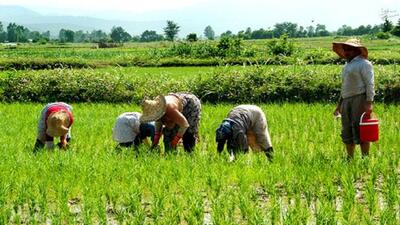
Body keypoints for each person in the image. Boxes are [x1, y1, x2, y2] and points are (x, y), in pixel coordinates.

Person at [332, 38, 375, 159]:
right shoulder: (347, 65)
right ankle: (349, 158)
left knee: (361, 129)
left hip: (359, 99)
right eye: (345, 49)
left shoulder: (364, 64)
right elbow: (344, 87)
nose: (346, 51)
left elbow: (370, 84)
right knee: (347, 129)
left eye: (349, 49)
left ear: (357, 50)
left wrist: (369, 102)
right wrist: (339, 105)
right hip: (346, 100)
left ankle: (365, 157)